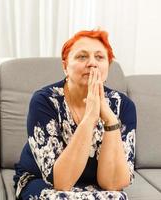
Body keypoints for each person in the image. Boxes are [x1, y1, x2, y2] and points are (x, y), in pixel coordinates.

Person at [13, 30, 136, 200]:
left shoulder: (123, 105)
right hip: (44, 182)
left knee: (116, 197)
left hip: (97, 186)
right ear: (65, 66)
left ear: (108, 66)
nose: (92, 63)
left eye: (100, 57)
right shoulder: (44, 101)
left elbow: (114, 184)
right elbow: (61, 183)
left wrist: (109, 120)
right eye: (82, 57)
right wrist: (90, 118)